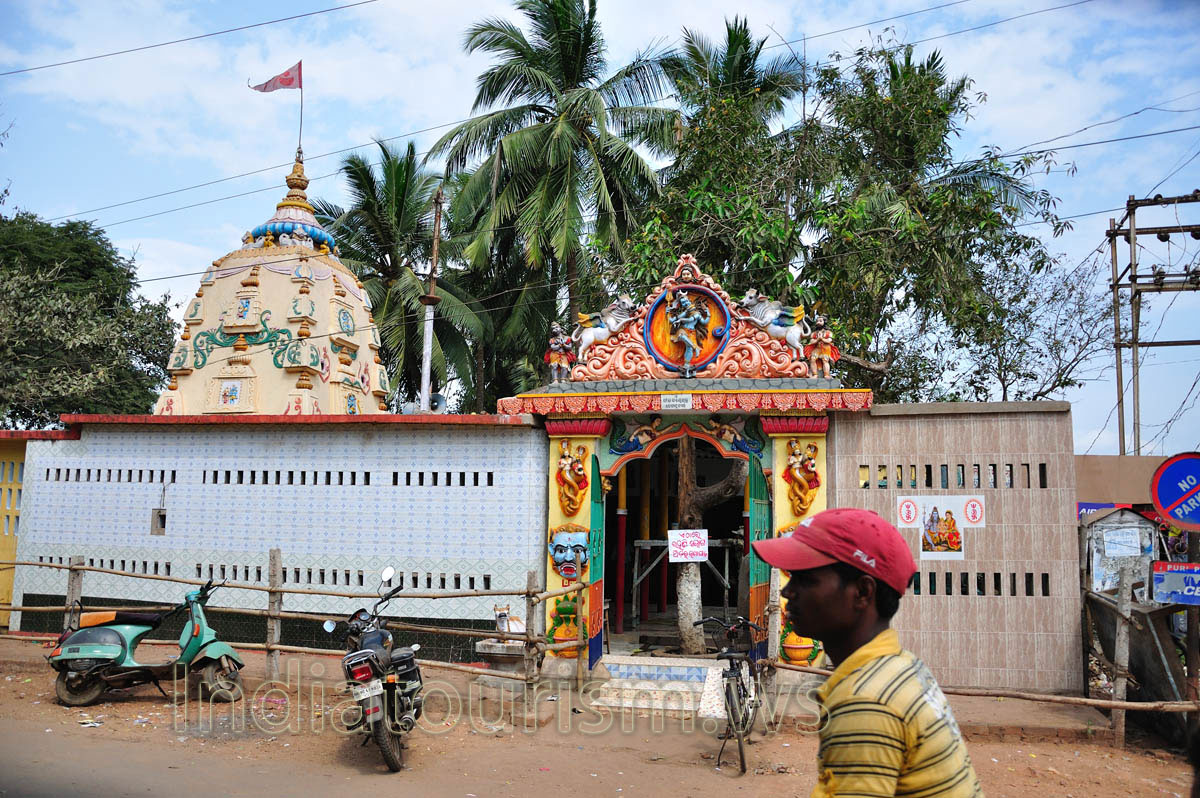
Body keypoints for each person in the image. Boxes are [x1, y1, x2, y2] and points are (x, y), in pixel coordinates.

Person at [752, 508, 982, 797]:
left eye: (805, 580)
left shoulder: (865, 699)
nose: (787, 592)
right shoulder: (900, 666)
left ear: (862, 592)